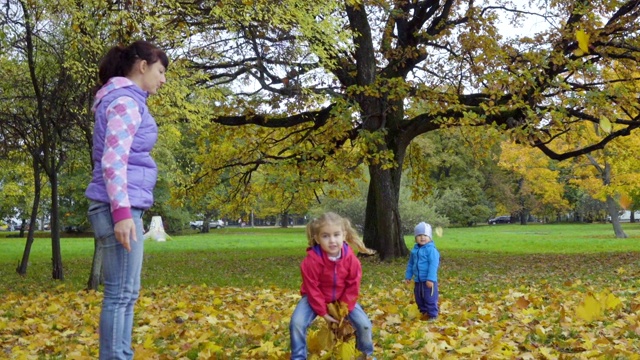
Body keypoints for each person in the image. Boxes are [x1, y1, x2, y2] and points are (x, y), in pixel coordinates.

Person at [85, 40, 168, 360]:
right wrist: (121, 213)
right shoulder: (125, 102)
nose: (163, 80)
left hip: (122, 205)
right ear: (142, 66)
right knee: (120, 294)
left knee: (126, 293)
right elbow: (113, 160)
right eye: (161, 71)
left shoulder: (129, 100)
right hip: (117, 207)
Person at [289, 212, 376, 360]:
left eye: (336, 235)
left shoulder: (352, 261)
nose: (332, 240)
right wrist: (324, 313)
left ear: (344, 235)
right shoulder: (310, 262)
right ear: (317, 238)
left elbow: (352, 286)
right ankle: (298, 356)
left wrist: (343, 310)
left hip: (343, 299)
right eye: (325, 236)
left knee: (365, 325)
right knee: (296, 323)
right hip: (314, 299)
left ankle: (366, 355)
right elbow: (312, 289)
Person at [404, 221, 440, 320]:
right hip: (418, 280)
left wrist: (431, 279)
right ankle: (424, 312)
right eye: (419, 235)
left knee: (430, 298)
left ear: (430, 237)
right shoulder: (414, 250)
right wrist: (408, 276)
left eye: (425, 235)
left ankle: (433, 315)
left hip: (428, 281)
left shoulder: (431, 250)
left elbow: (433, 265)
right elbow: (411, 264)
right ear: (415, 238)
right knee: (419, 298)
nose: (422, 237)